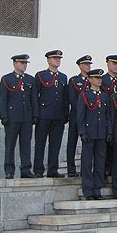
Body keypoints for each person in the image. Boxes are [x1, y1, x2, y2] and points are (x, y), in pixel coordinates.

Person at [0, 54, 37, 179]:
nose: (24, 65)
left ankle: (26, 169)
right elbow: (3, 99)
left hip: (26, 117)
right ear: (15, 63)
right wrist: (4, 116)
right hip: (12, 117)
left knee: (26, 144)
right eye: (22, 63)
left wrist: (35, 115)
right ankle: (9, 170)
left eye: (25, 63)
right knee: (10, 145)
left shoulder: (30, 80)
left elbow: (33, 99)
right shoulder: (7, 79)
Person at [32, 50, 69, 178]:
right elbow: (35, 96)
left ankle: (53, 169)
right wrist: (36, 114)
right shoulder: (41, 75)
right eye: (55, 58)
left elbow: (65, 98)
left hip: (58, 116)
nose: (57, 60)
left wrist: (65, 114)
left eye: (59, 58)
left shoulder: (63, 77)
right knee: (40, 143)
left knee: (55, 144)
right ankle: (38, 169)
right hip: (44, 115)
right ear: (48, 60)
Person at [77, 69, 112, 200]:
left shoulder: (104, 96)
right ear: (90, 79)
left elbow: (107, 115)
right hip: (89, 133)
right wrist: (82, 132)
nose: (99, 81)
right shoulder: (85, 96)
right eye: (96, 78)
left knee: (100, 162)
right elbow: (80, 116)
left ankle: (97, 189)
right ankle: (88, 190)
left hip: (101, 133)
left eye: (100, 78)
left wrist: (108, 131)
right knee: (87, 163)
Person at [67, 55, 92, 177]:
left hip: (89, 118)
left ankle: (85, 169)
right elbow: (72, 99)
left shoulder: (92, 81)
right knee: (72, 142)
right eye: (86, 64)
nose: (88, 66)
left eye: (89, 64)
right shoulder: (74, 80)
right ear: (80, 65)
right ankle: (71, 169)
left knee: (87, 145)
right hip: (76, 116)